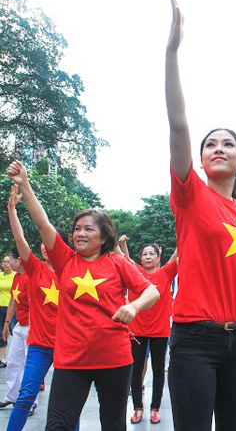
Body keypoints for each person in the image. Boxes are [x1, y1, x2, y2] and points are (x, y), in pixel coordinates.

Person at [165, 0, 236, 431]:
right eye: (210, 144)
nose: (218, 148)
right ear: (200, 159)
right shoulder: (190, 195)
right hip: (195, 339)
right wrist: (172, 52)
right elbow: (178, 123)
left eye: (228, 144)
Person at [6, 160, 160, 430]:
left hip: (114, 358)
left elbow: (152, 291)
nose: (80, 233)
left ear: (104, 237)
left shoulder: (118, 263)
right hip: (71, 360)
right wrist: (25, 184)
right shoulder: (64, 259)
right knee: (58, 425)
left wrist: (134, 307)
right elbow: (42, 223)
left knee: (113, 424)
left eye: (89, 229)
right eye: (77, 229)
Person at [5, 183, 64, 430]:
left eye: (50, 241)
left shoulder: (71, 269)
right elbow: (20, 239)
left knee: (67, 405)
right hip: (39, 345)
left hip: (67, 347)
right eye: (42, 242)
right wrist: (12, 211)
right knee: (25, 397)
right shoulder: (35, 267)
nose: (44, 246)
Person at [119, 238, 178, 425]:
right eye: (145, 254)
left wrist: (184, 235)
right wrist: (123, 245)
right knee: (135, 370)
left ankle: (155, 409)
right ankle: (137, 408)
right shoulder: (135, 272)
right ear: (140, 258)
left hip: (160, 331)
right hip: (137, 330)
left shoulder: (165, 273)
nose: (148, 256)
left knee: (159, 370)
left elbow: (179, 254)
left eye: (152, 253)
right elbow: (122, 257)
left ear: (158, 258)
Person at [0, 246, 38, 415]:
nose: (8, 263)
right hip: (19, 326)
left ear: (19, 260)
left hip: (31, 326)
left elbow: (34, 304)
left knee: (27, 366)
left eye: (11, 260)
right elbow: (12, 301)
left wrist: (31, 327)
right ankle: (12, 396)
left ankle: (30, 401)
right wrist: (7, 323)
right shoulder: (17, 277)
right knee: (13, 362)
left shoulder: (30, 278)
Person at [0, 255, 16, 367]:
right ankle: (3, 358)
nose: (5, 264)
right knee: (0, 333)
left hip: (12, 309)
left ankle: (16, 357)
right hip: (0, 307)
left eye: (8, 261)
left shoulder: (16, 276)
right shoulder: (0, 276)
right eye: (4, 262)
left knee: (15, 331)